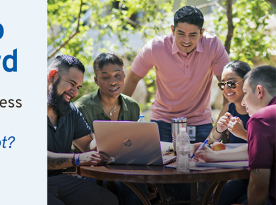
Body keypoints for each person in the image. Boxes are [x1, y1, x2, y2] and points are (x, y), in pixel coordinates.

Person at [75, 52, 189, 205]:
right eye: (105, 77)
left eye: (117, 75)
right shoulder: (82, 107)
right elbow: (87, 150)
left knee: (178, 185)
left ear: (123, 75)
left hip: (128, 168)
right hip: (95, 171)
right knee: (131, 188)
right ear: (96, 80)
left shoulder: (132, 106)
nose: (113, 81)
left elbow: (134, 146)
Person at [122, 5, 230, 143]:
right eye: (181, 34)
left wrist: (220, 125)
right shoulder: (155, 47)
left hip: (200, 122)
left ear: (201, 32)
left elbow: (229, 86)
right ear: (172, 30)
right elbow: (132, 79)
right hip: (162, 121)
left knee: (203, 162)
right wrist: (121, 121)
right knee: (159, 163)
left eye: (193, 35)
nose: (186, 40)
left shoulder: (213, 45)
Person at [193, 65, 276, 205]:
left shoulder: (262, 118)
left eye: (245, 92)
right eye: (222, 84)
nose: (244, 102)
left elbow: (259, 186)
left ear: (259, 91)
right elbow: (257, 148)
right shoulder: (230, 108)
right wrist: (213, 155)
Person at [47, 55, 119, 205]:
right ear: (52, 76)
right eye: (71, 84)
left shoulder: (70, 110)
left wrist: (111, 139)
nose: (74, 92)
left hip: (60, 180)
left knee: (108, 200)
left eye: (78, 87)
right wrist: (77, 159)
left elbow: (87, 144)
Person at [207, 60, 251, 145]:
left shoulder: (260, 108)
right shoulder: (229, 108)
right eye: (222, 84)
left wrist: (242, 133)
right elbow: (208, 142)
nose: (226, 89)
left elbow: (268, 144)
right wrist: (218, 131)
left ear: (246, 81)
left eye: (231, 83)